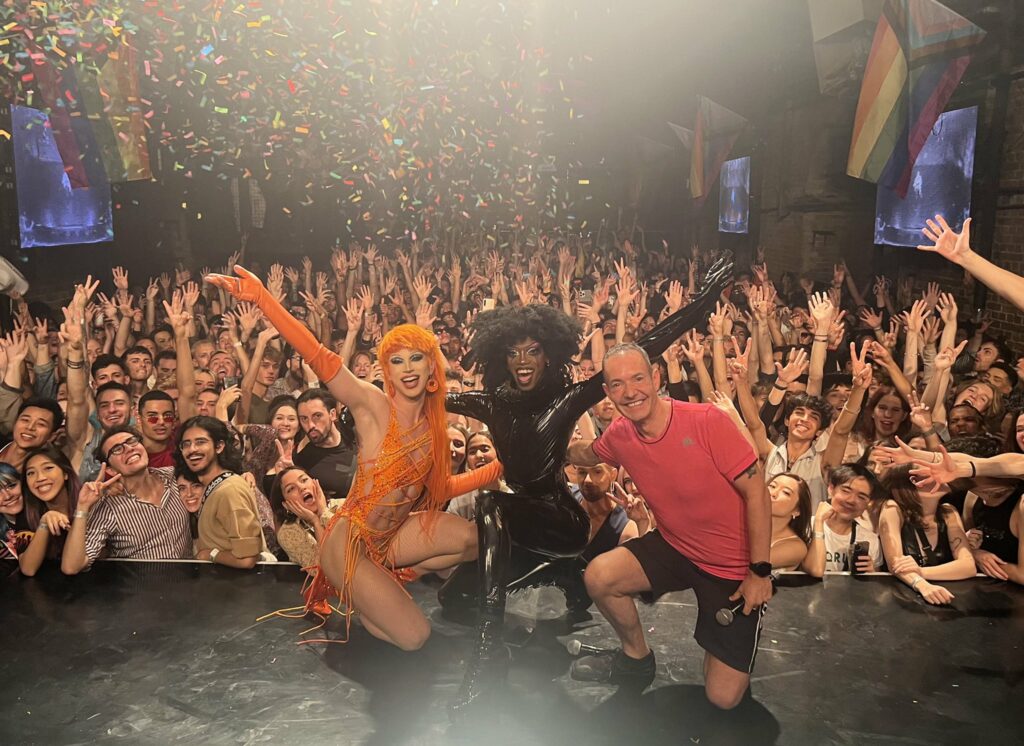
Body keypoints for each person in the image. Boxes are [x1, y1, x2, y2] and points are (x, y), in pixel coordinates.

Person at [439, 255, 732, 710]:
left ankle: (487, 651)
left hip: (560, 520)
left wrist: (704, 300)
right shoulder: (490, 402)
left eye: (533, 350)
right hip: (520, 527)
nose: (522, 360)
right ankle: (561, 572)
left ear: (549, 353)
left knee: (492, 505)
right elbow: (424, 395)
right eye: (513, 352)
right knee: (452, 598)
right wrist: (358, 407)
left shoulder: (568, 398)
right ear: (500, 356)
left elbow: (650, 343)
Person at [205, 266, 500, 650]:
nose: (408, 369)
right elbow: (317, 354)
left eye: (416, 359)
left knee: (479, 538)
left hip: (391, 539)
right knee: (415, 638)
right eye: (397, 361)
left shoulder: (434, 430)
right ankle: (365, 594)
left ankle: (382, 584)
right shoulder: (373, 405)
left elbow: (441, 487)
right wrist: (264, 300)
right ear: (386, 371)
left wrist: (499, 468)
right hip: (348, 543)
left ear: (432, 366)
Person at [567, 344, 771, 711]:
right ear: (608, 393)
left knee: (722, 699)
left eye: (638, 378)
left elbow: (757, 493)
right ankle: (636, 658)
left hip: (731, 567)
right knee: (600, 576)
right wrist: (548, 442)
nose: (630, 392)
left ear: (656, 378)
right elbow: (586, 454)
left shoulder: (706, 420)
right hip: (675, 547)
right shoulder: (619, 434)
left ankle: (726, 639)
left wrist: (759, 572)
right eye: (617, 384)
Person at [61, 425, 192, 574]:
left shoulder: (174, 476)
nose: (129, 449)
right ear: (111, 470)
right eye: (117, 449)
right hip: (142, 590)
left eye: (132, 441)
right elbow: (71, 567)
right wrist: (82, 507)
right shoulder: (108, 507)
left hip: (187, 584)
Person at [175, 415, 269, 568]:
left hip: (237, 587)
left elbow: (247, 559)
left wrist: (210, 554)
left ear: (219, 446)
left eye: (200, 442)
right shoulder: (216, 487)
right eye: (186, 444)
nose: (192, 449)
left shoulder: (230, 490)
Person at [878, 466, 975, 605]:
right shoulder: (892, 509)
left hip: (948, 596)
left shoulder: (949, 512)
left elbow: (968, 566)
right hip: (903, 599)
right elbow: (896, 565)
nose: (942, 476)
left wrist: (921, 572)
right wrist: (922, 585)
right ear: (913, 481)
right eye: (932, 473)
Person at [802, 464, 884, 577]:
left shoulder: (870, 540)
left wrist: (871, 574)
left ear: (868, 503)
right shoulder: (804, 527)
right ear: (831, 489)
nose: (851, 500)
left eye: (861, 497)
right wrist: (818, 522)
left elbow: (876, 588)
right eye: (846, 491)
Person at [17, 445, 82, 576]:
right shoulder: (26, 514)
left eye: (48, 468)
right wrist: (44, 523)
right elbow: (28, 569)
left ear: (65, 474)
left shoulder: (87, 504)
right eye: (31, 473)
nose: (40, 478)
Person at [269, 466, 343, 567]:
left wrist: (323, 513)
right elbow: (324, 568)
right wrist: (316, 522)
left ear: (315, 483)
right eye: (291, 489)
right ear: (286, 505)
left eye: (304, 480)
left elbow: (350, 545)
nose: (301, 487)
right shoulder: (288, 533)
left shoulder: (345, 505)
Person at [293, 389, 357, 501]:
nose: (310, 425)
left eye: (317, 416)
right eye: (304, 419)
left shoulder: (354, 434)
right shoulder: (303, 461)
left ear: (332, 414)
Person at [766, 473, 811, 572]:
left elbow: (755, 562)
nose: (773, 493)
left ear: (797, 510)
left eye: (786, 492)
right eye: (772, 486)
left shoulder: (797, 547)